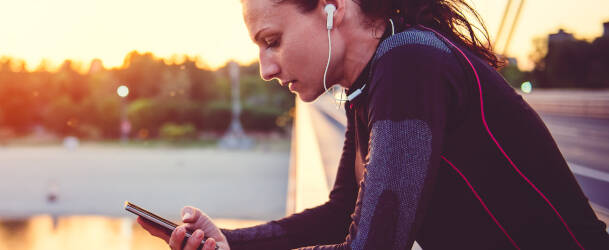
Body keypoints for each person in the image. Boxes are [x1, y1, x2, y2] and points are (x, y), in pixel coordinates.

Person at [137, 0, 609, 249]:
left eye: (272, 40)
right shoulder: (371, 82)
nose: (266, 68)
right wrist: (229, 243)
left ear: (331, 8)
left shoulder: (409, 64)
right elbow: (344, 214)